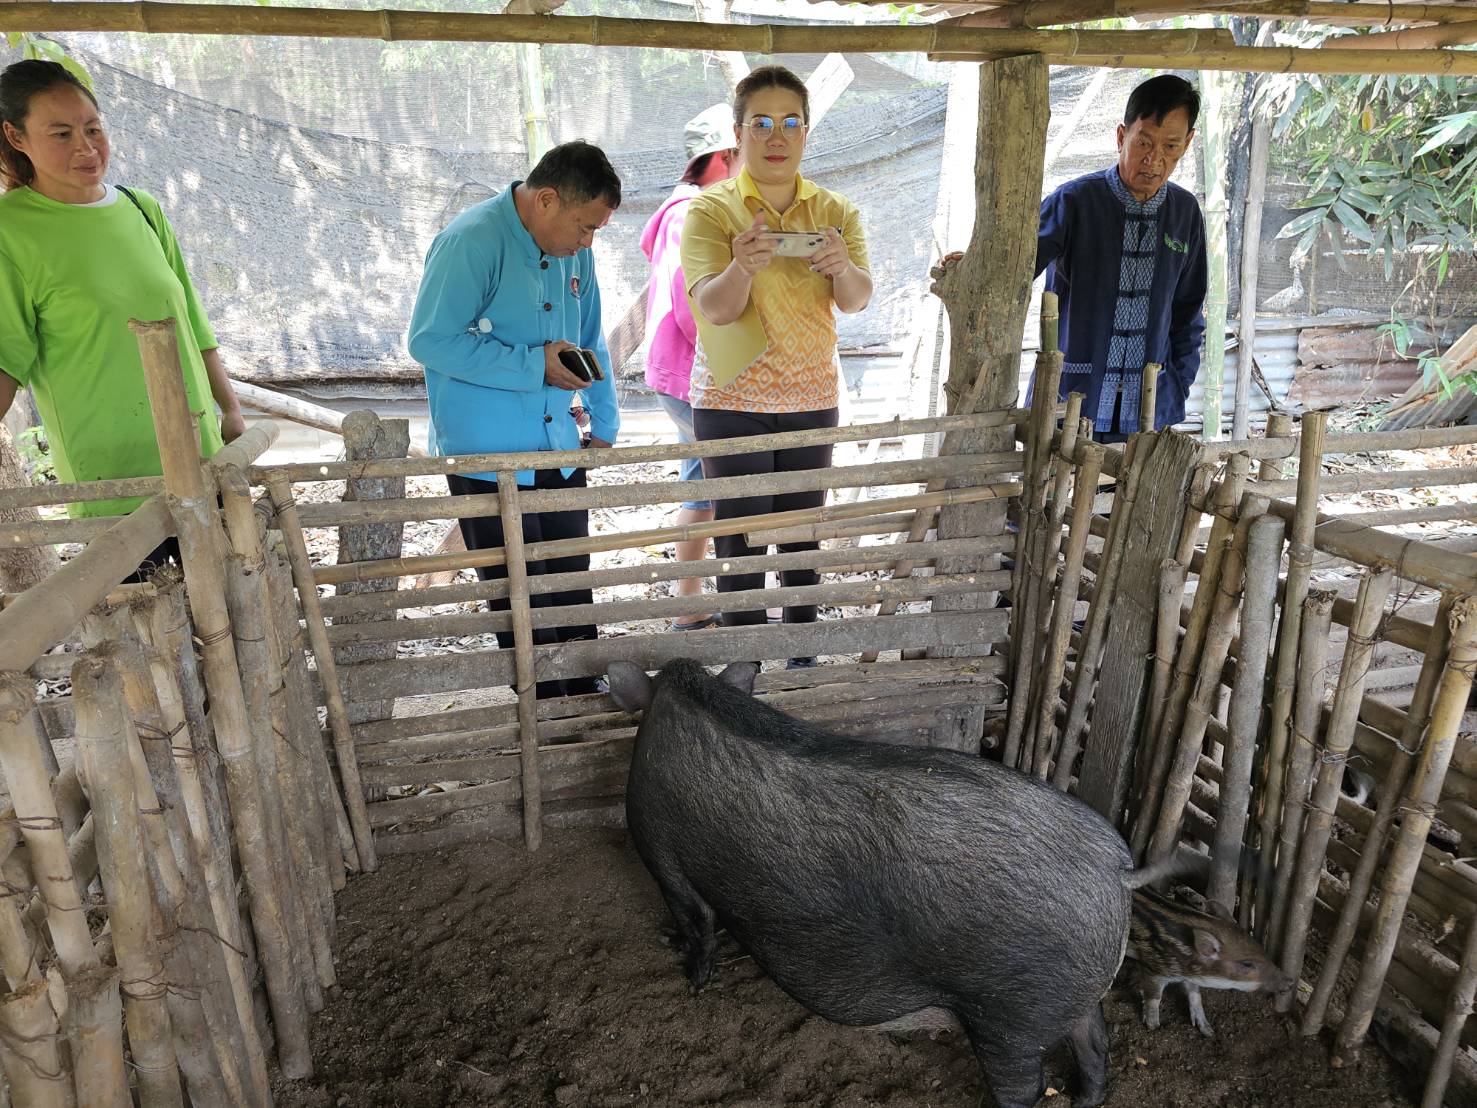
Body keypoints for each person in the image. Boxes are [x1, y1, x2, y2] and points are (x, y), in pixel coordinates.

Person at [0, 59, 244, 572]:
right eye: (61, 133)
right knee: (149, 632)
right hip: (112, 481)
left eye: (93, 128)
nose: (86, 148)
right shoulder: (10, 231)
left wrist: (231, 410)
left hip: (199, 460)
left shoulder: (141, 207)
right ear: (14, 136)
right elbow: (6, 358)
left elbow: (192, 320)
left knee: (231, 617)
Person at [408, 140, 621, 700]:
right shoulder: (470, 241)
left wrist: (604, 421)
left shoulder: (577, 253)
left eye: (596, 230)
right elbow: (430, 341)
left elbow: (591, 337)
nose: (587, 241)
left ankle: (586, 701)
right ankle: (545, 717)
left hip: (557, 441)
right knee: (522, 601)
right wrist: (533, 366)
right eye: (584, 226)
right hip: (488, 454)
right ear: (546, 199)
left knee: (572, 585)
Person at [680, 65, 871, 668]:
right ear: (739, 133)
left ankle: (801, 653)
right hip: (732, 398)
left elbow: (858, 298)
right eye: (761, 122)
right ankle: (745, 659)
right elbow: (712, 305)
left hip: (812, 393)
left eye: (790, 122)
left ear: (807, 131)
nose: (777, 135)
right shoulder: (712, 211)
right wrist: (741, 267)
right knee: (738, 530)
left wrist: (840, 265)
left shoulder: (834, 209)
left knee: (801, 529)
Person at [1035, 73, 1208, 444]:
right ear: (1121, 136)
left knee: (1131, 500)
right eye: (1143, 142)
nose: (1154, 159)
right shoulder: (1074, 202)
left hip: (1148, 409)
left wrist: (1176, 386)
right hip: (1074, 401)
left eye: (1171, 147)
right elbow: (1014, 270)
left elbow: (1189, 314)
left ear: (1188, 144)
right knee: (1056, 499)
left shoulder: (1185, 213)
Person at [640, 104, 738, 632]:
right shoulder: (691, 214)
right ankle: (697, 598)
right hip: (695, 371)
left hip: (686, 369)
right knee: (719, 483)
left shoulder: (689, 208)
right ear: (724, 156)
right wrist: (734, 359)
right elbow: (691, 302)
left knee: (702, 481)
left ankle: (691, 600)